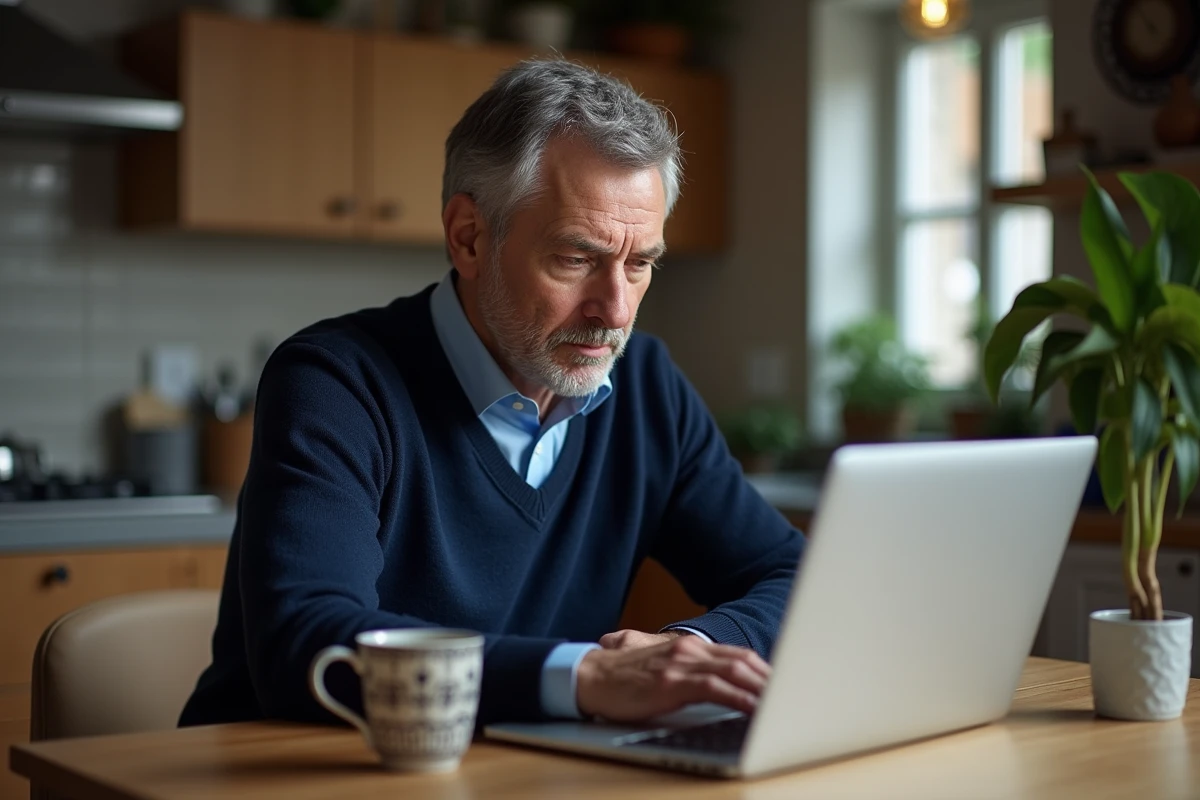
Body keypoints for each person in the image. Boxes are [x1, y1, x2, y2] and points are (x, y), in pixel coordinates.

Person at [179, 58, 805, 730]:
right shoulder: (335, 382)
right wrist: (584, 675)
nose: (615, 309)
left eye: (640, 263)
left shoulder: (647, 387)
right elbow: (307, 641)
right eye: (577, 258)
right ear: (469, 237)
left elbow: (792, 574)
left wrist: (693, 652)